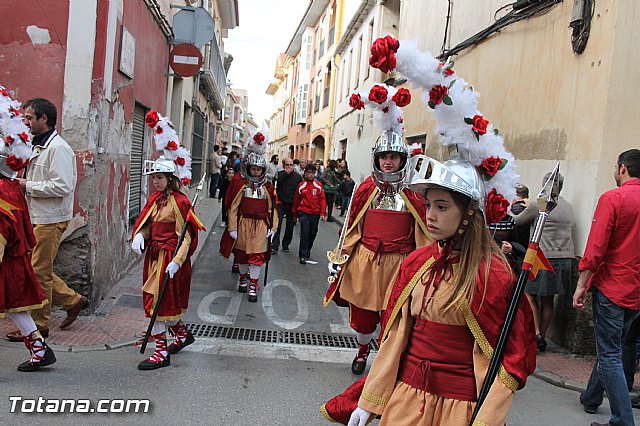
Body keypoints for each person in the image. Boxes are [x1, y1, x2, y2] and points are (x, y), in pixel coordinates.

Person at [323, 156, 536, 426]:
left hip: (460, 410)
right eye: (428, 205)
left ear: (470, 212)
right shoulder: (416, 263)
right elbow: (395, 341)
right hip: (406, 401)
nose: (429, 215)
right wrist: (369, 402)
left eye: (442, 206)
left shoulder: (493, 275)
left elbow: (513, 360)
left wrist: (488, 419)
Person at [324, 130, 430, 375]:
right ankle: (362, 352)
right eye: (384, 156)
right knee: (364, 317)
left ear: (403, 159)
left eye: (394, 156)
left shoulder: (414, 193)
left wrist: (424, 267)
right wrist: (341, 255)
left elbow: (423, 236)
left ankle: (385, 363)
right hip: (366, 263)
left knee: (395, 317)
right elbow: (352, 228)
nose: (388, 161)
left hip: (399, 265)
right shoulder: (366, 189)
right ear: (377, 159)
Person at [8, 98, 89, 342]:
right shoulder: (37, 145)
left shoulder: (58, 148)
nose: (26, 121)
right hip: (37, 216)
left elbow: (62, 186)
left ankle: (39, 327)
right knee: (37, 268)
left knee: (38, 272)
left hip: (50, 219)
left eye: (30, 117)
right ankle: (73, 301)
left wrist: (26, 185)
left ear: (44, 119)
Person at [574, 149, 640, 426]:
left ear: (622, 168)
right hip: (635, 290)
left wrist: (581, 284)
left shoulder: (613, 198)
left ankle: (623, 420)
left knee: (610, 353)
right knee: (613, 346)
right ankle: (591, 397)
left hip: (614, 286)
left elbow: (596, 247)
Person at [131, 111, 200, 370]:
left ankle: (161, 352)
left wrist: (178, 261)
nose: (155, 181)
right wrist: (140, 235)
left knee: (157, 303)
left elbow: (187, 236)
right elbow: (148, 224)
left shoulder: (180, 202)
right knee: (161, 301)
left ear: (170, 178)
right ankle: (182, 335)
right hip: (154, 256)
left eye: (159, 177)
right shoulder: (155, 200)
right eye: (153, 177)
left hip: (169, 258)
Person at [0, 88, 56, 371]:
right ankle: (39, 350)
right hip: (12, 262)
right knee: (17, 307)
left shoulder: (2, 189)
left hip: (4, 261)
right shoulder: (10, 185)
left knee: (14, 305)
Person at [513, 173, 575, 352]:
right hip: (566, 257)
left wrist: (517, 207)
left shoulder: (540, 204)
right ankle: (543, 336)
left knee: (529, 294)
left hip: (543, 257)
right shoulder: (568, 206)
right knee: (548, 301)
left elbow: (517, 220)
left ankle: (536, 333)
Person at [225, 132, 278, 302]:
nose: (255, 172)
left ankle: (253, 285)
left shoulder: (267, 188)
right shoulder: (243, 186)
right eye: (253, 169)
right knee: (242, 256)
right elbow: (233, 208)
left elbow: (272, 209)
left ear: (262, 171)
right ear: (248, 169)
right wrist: (232, 228)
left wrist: (273, 228)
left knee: (257, 258)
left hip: (261, 227)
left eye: (258, 169)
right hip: (243, 225)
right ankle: (242, 279)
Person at [293, 164, 326, 264]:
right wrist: (295, 214)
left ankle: (307, 249)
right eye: (309, 173)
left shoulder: (318, 185)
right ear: (305, 173)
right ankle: (302, 255)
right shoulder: (301, 186)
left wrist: (323, 213)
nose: (311, 175)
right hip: (304, 212)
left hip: (315, 213)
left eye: (313, 173)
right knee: (304, 233)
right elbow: (296, 200)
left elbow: (322, 200)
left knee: (313, 233)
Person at [273, 158, 302, 253]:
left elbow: (299, 191)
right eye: (287, 165)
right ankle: (275, 245)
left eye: (291, 165)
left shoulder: (297, 177)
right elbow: (276, 183)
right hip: (280, 203)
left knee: (290, 226)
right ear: (283, 165)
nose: (289, 167)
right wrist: (286, 173)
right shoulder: (280, 174)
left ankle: (286, 244)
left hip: (292, 204)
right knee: (277, 225)